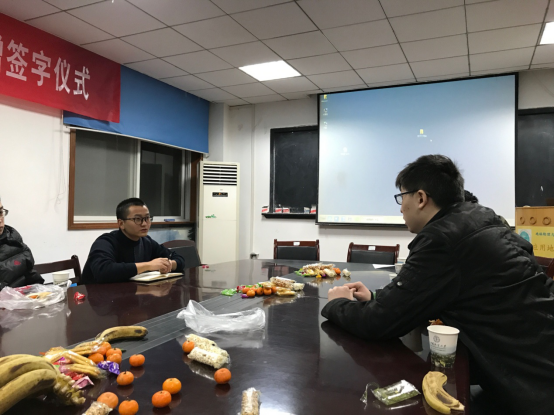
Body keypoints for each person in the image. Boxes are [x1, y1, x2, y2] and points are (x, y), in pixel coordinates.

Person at [322, 155, 554, 415]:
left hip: (529, 392)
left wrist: (337, 303)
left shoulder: (442, 239)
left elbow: (379, 323)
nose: (401, 209)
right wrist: (376, 297)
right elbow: (429, 292)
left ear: (421, 198)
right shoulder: (482, 217)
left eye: (402, 198)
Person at [81, 198, 185, 284]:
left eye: (147, 218)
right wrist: (149, 265)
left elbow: (179, 259)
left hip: (131, 295)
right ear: (121, 223)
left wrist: (169, 264)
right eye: (137, 219)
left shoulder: (146, 242)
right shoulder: (105, 242)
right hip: (98, 298)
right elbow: (103, 271)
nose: (144, 224)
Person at [0, 197, 44, 289]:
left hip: (22, 297)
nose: (0, 220)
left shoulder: (14, 241)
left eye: (0, 212)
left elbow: (32, 279)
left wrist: (43, 293)